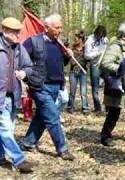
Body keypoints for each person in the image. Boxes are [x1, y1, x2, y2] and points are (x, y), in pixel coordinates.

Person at [22, 14, 75, 161]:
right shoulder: (33, 42)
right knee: (53, 117)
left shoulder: (59, 43)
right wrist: (27, 76)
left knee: (41, 116)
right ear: (46, 27)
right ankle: (62, 149)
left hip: (55, 86)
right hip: (40, 86)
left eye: (61, 27)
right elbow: (21, 59)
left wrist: (67, 56)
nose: (60, 30)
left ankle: (28, 142)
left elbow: (59, 64)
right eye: (57, 27)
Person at [0, 17, 36, 173]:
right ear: (5, 31)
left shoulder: (19, 48)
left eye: (18, 31)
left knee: (7, 129)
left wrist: (24, 72)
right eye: (15, 31)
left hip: (12, 96)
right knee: (6, 129)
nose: (18, 34)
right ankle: (19, 160)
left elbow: (29, 66)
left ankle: (0, 157)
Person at [99, 22, 125, 146]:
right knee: (114, 111)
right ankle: (105, 135)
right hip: (117, 85)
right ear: (124, 36)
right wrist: (121, 69)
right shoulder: (115, 47)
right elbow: (105, 63)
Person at [84, 25, 108, 114]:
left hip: (104, 65)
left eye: (102, 36)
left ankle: (108, 107)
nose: (101, 38)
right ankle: (98, 108)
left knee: (109, 85)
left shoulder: (105, 40)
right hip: (95, 65)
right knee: (95, 88)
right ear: (96, 34)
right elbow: (86, 55)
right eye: (99, 36)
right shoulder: (89, 41)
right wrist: (97, 53)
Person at [67, 30, 90, 113]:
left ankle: (85, 107)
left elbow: (87, 60)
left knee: (83, 92)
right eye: (76, 37)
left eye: (78, 38)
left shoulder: (86, 49)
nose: (76, 39)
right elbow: (70, 61)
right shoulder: (71, 49)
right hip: (73, 72)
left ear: (81, 39)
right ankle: (70, 107)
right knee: (72, 91)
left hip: (83, 73)